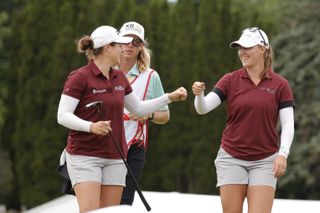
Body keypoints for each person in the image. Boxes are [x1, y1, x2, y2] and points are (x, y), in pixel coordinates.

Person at [57, 25, 187, 213]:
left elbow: (138, 107)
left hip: (115, 156)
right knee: (90, 210)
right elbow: (63, 115)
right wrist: (91, 126)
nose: (123, 49)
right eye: (120, 44)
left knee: (113, 211)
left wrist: (168, 97)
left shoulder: (118, 77)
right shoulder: (79, 77)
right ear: (108, 47)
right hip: (84, 155)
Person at [192, 27, 294, 213]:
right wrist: (199, 95)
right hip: (231, 158)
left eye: (247, 47)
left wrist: (283, 154)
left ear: (262, 49)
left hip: (265, 160)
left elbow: (288, 124)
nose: (242, 52)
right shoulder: (230, 80)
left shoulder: (280, 85)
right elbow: (203, 108)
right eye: (239, 47)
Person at [117, 21, 170, 205]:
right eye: (126, 40)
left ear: (141, 47)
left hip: (134, 148)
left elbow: (165, 115)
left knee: (123, 204)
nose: (130, 45)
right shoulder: (104, 70)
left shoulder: (150, 76)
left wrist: (149, 115)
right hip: (104, 144)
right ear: (117, 41)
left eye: (136, 42)